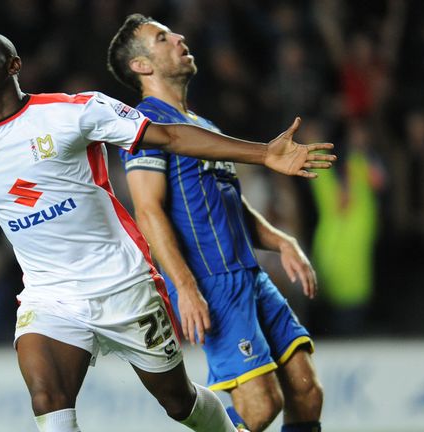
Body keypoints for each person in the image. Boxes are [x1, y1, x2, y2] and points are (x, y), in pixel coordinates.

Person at [0, 30, 334, 432]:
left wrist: (263, 154)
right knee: (47, 398)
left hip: (123, 284)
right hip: (50, 295)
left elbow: (171, 136)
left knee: (179, 403)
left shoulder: (74, 111)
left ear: (13, 66)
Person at [107, 14, 324, 432]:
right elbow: (148, 211)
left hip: (249, 273)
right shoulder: (145, 128)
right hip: (210, 282)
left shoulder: (202, 127)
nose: (179, 38)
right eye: (162, 37)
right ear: (141, 65)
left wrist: (281, 241)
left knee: (306, 391)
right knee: (260, 406)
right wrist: (185, 287)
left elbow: (231, 204)